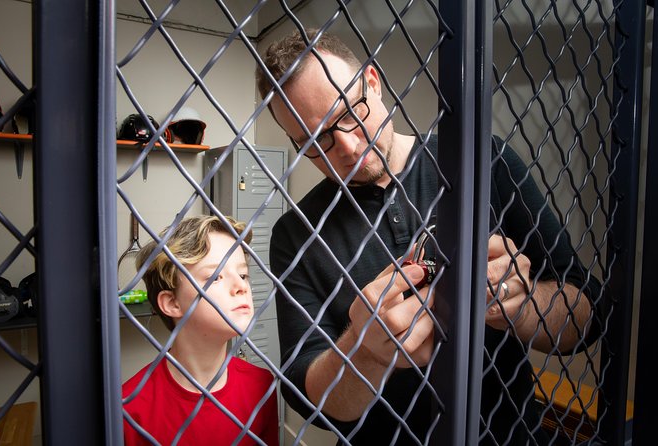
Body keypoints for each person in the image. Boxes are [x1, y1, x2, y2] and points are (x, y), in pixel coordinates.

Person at [257, 29, 602, 444]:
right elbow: (306, 394)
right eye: (315, 140)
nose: (346, 147)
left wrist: (522, 307)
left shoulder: (483, 161)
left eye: (349, 113)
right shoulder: (296, 233)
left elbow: (587, 315)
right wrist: (364, 354)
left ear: (372, 82)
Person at [122, 215, 279, 445]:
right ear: (172, 303)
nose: (241, 286)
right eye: (215, 277)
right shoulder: (129, 408)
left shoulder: (261, 386)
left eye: (243, 274)